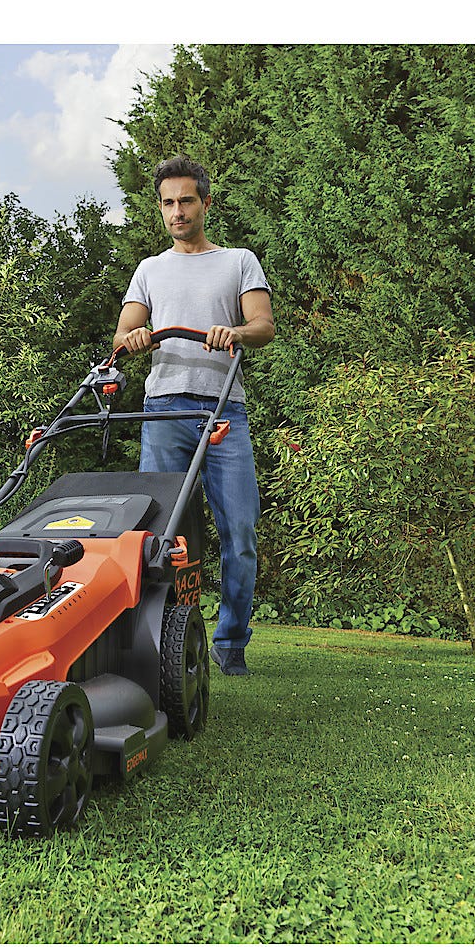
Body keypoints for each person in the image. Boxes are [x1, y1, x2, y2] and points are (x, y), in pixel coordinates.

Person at [113, 155, 275, 676]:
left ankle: (231, 644)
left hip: (224, 411)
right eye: (168, 203)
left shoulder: (239, 262)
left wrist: (236, 332)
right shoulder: (149, 270)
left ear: (205, 202)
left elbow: (263, 325)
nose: (177, 211)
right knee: (157, 536)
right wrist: (135, 337)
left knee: (240, 532)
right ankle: (162, 641)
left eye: (186, 201)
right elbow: (122, 334)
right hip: (163, 411)